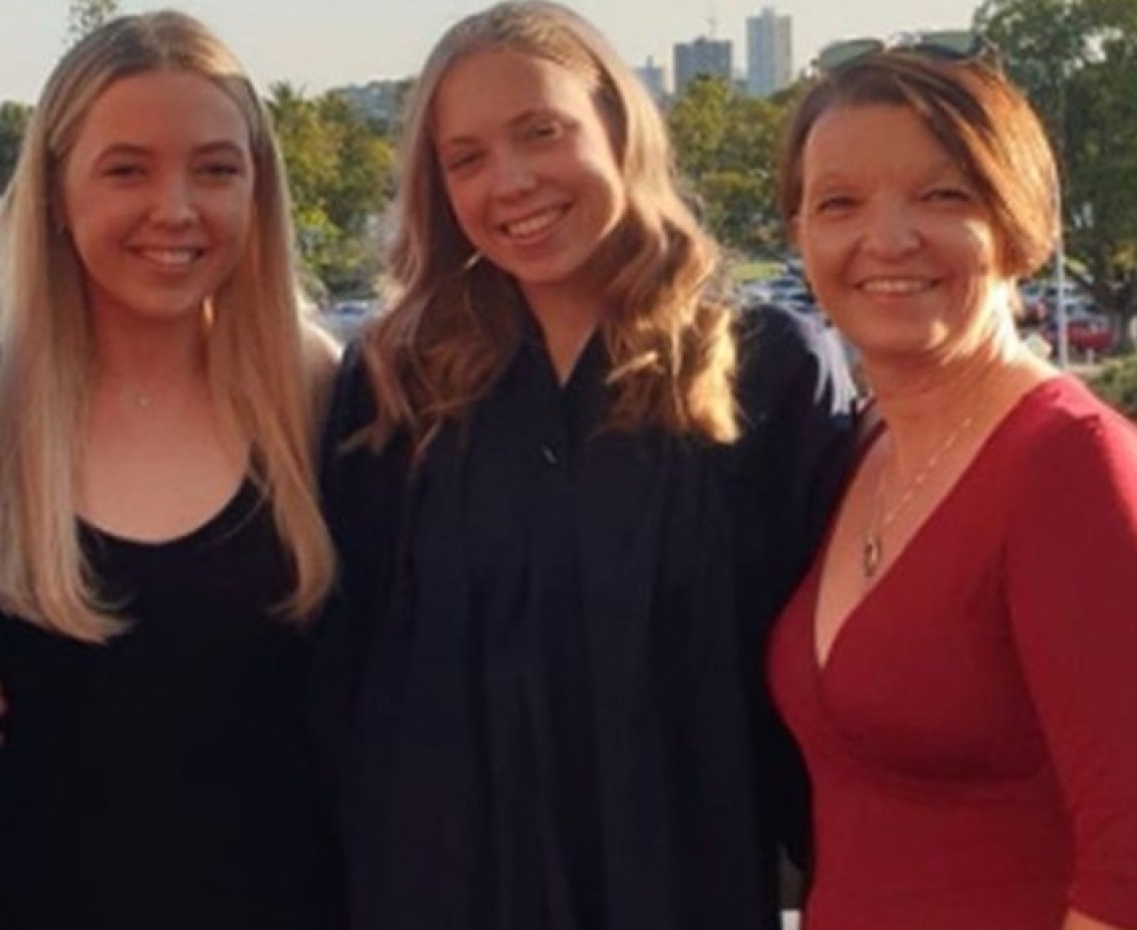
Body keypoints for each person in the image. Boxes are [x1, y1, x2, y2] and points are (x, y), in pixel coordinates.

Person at [312, 3, 857, 929]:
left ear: (616, 123)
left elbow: (829, 681)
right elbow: (340, 675)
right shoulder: (396, 387)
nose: (511, 182)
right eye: (466, 158)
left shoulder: (765, 370)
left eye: (542, 132)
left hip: (680, 887)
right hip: (440, 891)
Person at [764, 42, 1137, 930]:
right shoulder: (863, 449)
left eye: (943, 196)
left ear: (1016, 221)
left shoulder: (1078, 472)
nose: (888, 239)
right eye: (839, 203)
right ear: (801, 235)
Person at [0, 10, 342, 929]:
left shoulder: (306, 386)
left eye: (216, 169)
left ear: (258, 189)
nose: (175, 208)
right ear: (55, 193)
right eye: (127, 169)